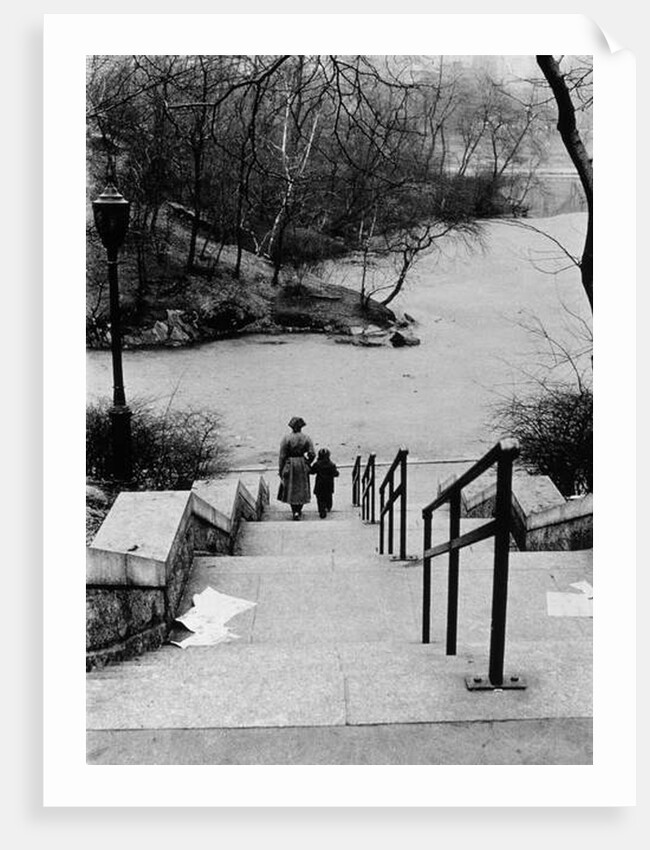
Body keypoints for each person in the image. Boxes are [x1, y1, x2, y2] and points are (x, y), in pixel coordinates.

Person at [278, 416, 315, 520]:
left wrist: (281, 469)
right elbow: (312, 454)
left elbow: (282, 456)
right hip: (302, 464)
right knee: (301, 489)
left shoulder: (286, 438)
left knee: (291, 489)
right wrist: (308, 462)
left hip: (290, 464)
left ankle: (294, 511)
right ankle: (299, 510)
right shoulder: (306, 438)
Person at [309, 448, 339, 519]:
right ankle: (328, 507)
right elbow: (336, 474)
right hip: (329, 485)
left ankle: (322, 510)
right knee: (328, 497)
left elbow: (312, 471)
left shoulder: (317, 464)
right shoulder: (331, 465)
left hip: (319, 484)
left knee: (320, 499)